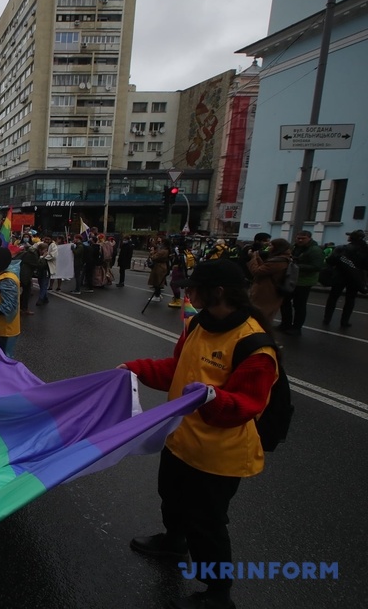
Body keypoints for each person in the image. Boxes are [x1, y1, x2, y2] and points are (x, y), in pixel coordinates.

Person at [118, 259, 278, 609]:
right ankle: (173, 542)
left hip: (218, 455)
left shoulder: (254, 346)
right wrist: (134, 370)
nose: (188, 292)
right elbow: (177, 370)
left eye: (194, 288)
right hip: (180, 438)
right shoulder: (196, 325)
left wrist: (212, 398)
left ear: (217, 292)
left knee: (206, 523)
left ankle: (218, 592)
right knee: (171, 497)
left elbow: (247, 406)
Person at [278, 230, 324, 336]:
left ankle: (296, 328)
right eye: (298, 238)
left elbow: (317, 266)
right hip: (292, 279)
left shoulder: (315, 250)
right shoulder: (295, 247)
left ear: (309, 238)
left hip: (304, 281)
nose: (300, 240)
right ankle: (285, 324)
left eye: (303, 238)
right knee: (284, 302)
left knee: (299, 305)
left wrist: (296, 266)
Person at [323, 229, 368, 328]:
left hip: (339, 277)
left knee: (333, 298)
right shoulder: (365, 250)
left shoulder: (342, 248)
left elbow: (330, 261)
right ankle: (344, 322)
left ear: (351, 238)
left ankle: (327, 319)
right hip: (355, 278)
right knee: (350, 300)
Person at [247, 238, 291, 323]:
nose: (268, 247)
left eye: (270, 245)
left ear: (277, 247)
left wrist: (253, 258)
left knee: (260, 315)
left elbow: (257, 271)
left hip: (267, 291)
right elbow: (265, 267)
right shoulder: (283, 258)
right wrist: (257, 257)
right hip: (272, 290)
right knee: (266, 315)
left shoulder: (279, 261)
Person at [36, 239, 57, 306]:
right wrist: (42, 257)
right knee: (41, 284)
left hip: (46, 271)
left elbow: (51, 257)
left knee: (44, 285)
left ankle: (41, 299)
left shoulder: (48, 255)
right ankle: (45, 298)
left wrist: (43, 257)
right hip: (40, 271)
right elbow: (38, 263)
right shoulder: (38, 255)